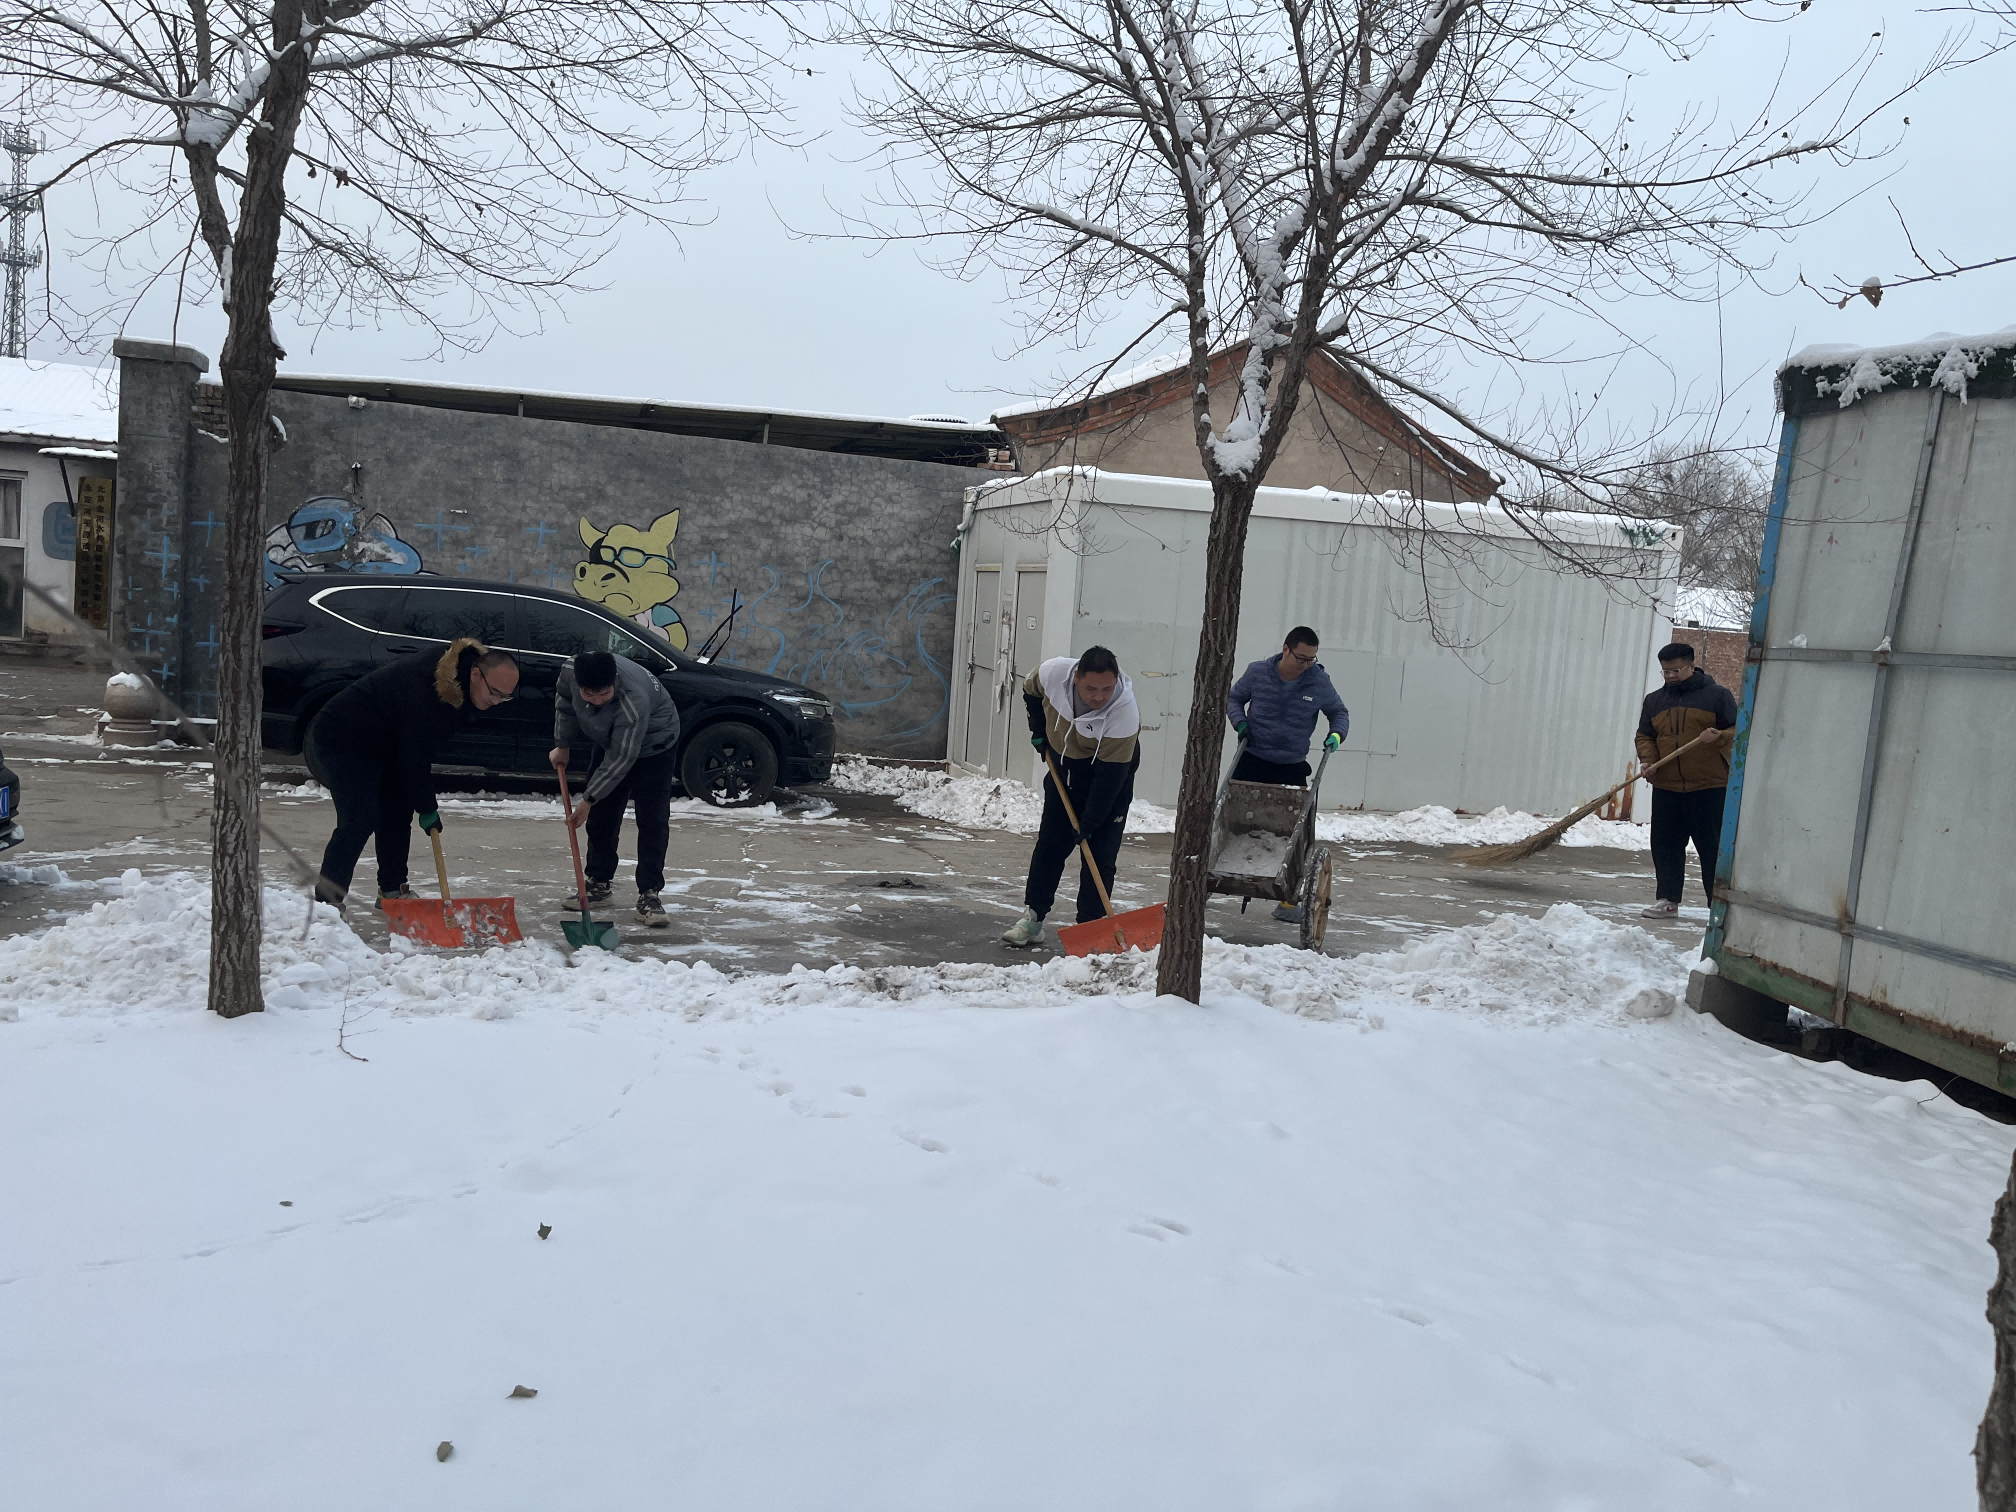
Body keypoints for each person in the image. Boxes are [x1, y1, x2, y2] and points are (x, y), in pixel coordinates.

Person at [312, 638, 520, 909]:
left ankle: (392, 890)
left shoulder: (461, 685)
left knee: (397, 813)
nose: (496, 701)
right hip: (345, 736)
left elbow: (414, 754)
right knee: (360, 818)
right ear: (476, 674)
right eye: (494, 693)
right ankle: (327, 903)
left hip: (389, 741)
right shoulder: (429, 690)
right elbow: (415, 758)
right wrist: (427, 807)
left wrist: (418, 804)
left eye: (504, 697)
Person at [1000, 646, 1142, 948]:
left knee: (1099, 858)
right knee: (1050, 847)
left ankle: (1089, 929)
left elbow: (1110, 778)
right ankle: (1033, 919)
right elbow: (1030, 692)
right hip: (1064, 773)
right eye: (1091, 688)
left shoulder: (1124, 713)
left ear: (1117, 680)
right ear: (1076, 677)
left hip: (1109, 781)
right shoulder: (1052, 674)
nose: (1099, 696)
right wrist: (1038, 729)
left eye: (1107, 688)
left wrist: (1091, 821)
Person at [549, 649, 683, 928]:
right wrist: (562, 743)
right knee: (603, 817)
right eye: (589, 695)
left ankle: (649, 894)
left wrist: (588, 800)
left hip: (655, 743)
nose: (597, 701)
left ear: (614, 682)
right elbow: (564, 701)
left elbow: (623, 758)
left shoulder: (633, 703)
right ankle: (598, 883)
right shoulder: (570, 672)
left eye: (604, 694)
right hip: (612, 739)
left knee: (652, 820)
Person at [1226, 626, 1349, 921]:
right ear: (1285, 650)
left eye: (1311, 659)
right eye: (1301, 658)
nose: (1306, 665)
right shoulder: (1257, 673)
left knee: (1294, 832)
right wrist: (1240, 723)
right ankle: (1224, 872)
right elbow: (1234, 699)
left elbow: (1339, 712)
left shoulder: (1318, 681)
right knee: (1232, 820)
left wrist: (1336, 735)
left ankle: (1287, 900)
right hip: (1253, 757)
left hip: (1292, 765)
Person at [1635, 642, 1738, 918]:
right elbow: (1645, 736)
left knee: (1711, 848)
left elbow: (1738, 730)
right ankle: (1667, 900)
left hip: (1709, 786)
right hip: (1667, 787)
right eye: (1665, 671)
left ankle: (1716, 905)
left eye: (1676, 670)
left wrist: (1719, 737)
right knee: (1665, 845)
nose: (1670, 676)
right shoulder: (1654, 701)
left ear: (1692, 666)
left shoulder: (1717, 696)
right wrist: (1648, 760)